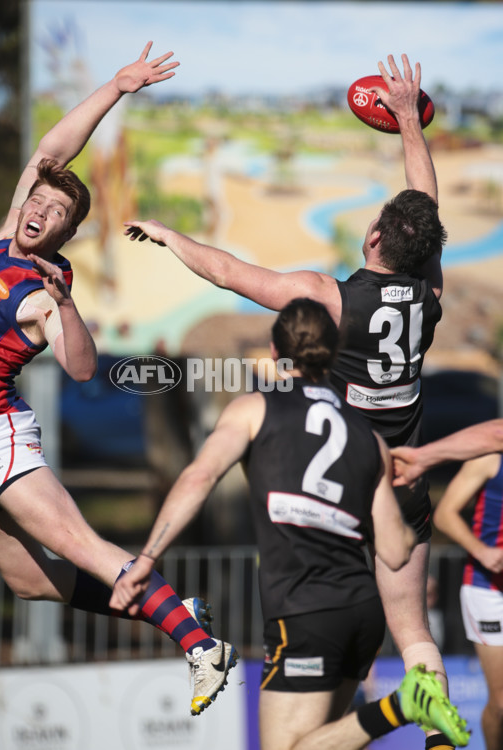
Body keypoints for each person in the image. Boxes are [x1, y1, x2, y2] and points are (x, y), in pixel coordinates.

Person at [123, 54, 454, 748]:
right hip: (406, 479)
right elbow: (424, 207)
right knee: (413, 633)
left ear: (371, 239)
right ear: (425, 251)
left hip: (344, 483)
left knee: (336, 649)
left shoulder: (331, 296)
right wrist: (406, 125)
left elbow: (228, 272)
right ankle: (439, 737)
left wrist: (169, 235)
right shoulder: (430, 296)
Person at [0, 42, 237, 716]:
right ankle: (176, 608)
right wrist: (116, 88)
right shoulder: (4, 238)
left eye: (56, 214)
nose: (40, 210)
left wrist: (63, 305)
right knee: (31, 580)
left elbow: (81, 366)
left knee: (85, 548)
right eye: (37, 201)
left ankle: (201, 647)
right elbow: (52, 151)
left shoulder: (39, 288)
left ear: (64, 233)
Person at [110, 298, 470, 749]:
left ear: (274, 353)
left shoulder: (252, 410)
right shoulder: (368, 438)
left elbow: (199, 476)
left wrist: (148, 556)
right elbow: (396, 551)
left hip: (305, 610)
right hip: (362, 612)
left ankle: (403, 705)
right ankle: (402, 708)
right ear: (333, 355)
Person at [431, 453, 503, 750]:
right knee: (501, 704)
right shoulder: (489, 460)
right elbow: (444, 514)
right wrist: (482, 551)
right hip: (488, 589)